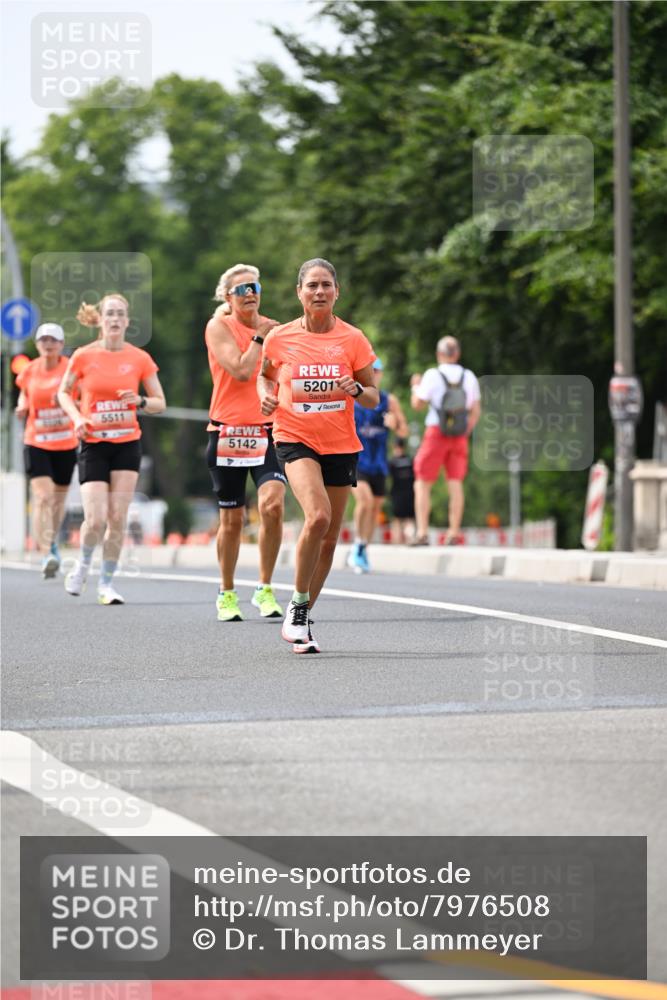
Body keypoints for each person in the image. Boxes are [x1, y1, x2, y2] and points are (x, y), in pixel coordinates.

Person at [257, 258, 379, 653]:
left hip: (341, 443)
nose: (320, 292)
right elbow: (265, 374)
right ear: (300, 293)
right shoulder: (280, 337)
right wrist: (265, 394)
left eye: (326, 285)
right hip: (294, 437)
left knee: (329, 540)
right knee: (319, 515)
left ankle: (304, 613)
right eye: (312, 285)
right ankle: (296, 606)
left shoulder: (353, 339)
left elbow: (374, 395)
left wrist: (355, 391)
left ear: (337, 291)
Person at [57, 293, 166, 604]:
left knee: (117, 517)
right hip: (93, 443)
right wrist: (77, 416)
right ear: (100, 320)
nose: (115, 319)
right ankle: (82, 565)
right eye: (110, 314)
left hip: (126, 443)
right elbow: (64, 393)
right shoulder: (82, 355)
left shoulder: (139, 358)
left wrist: (141, 401)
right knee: (95, 519)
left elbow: (160, 402)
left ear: (127, 321)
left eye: (121, 314)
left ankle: (106, 583)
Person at [205, 264, 287, 622]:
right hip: (227, 432)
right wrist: (258, 338)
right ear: (228, 297)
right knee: (232, 519)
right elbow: (239, 370)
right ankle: (226, 592)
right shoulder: (219, 327)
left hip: (267, 430)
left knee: (272, 504)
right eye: (241, 289)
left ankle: (265, 588)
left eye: (254, 286)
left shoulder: (275, 328)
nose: (250, 293)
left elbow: (286, 372)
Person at [15, 323, 78, 578]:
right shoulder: (29, 370)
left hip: (65, 442)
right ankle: (46, 551)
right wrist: (21, 407)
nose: (48, 344)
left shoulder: (71, 369)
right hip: (36, 440)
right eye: (43, 340)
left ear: (61, 345)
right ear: (37, 344)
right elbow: (24, 395)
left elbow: (83, 396)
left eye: (53, 340)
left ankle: (52, 543)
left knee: (59, 499)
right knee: (44, 496)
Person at [410, 335, 481, 545]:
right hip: (459, 435)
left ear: (439, 354)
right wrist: (464, 431)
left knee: (423, 482)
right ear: (457, 354)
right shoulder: (469, 376)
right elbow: (475, 410)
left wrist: (415, 386)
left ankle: (422, 532)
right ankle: (453, 532)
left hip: (436, 432)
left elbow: (418, 404)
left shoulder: (433, 374)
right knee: (455, 483)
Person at [348, 357, 408, 573]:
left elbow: (404, 432)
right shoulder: (352, 398)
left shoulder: (388, 401)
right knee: (364, 501)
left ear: (381, 374)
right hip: (357, 460)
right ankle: (356, 544)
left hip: (379, 464)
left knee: (375, 508)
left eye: (377, 370)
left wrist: (396, 424)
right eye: (369, 370)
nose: (373, 374)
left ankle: (363, 546)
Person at [388, 437, 416, 544]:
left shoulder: (393, 462)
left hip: (405, 494)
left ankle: (403, 540)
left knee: (404, 519)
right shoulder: (409, 460)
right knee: (398, 519)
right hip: (400, 494)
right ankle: (397, 541)